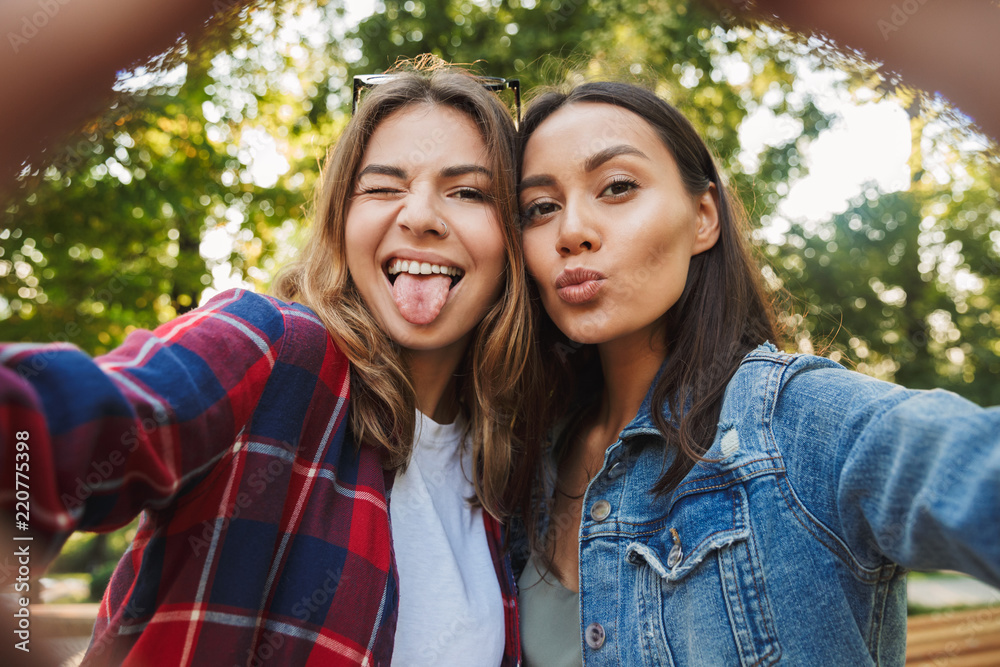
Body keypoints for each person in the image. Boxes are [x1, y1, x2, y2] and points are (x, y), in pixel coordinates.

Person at [0, 65, 538, 666]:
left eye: (467, 192)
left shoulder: (506, 468)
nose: (420, 216)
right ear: (340, 219)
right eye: (383, 187)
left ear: (515, 238)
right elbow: (68, 418)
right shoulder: (276, 348)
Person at [512, 81, 1000, 665]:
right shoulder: (525, 455)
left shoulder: (793, 421)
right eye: (541, 207)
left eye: (617, 187)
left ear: (703, 218)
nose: (571, 232)